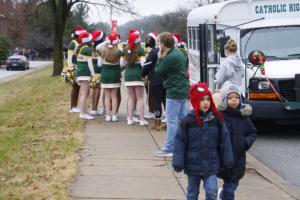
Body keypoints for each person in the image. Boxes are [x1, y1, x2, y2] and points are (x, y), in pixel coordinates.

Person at [172, 82, 233, 200]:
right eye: (202, 100)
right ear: (195, 101)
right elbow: (179, 143)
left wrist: (228, 160)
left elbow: (224, 142)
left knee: (211, 191)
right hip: (192, 164)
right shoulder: (187, 121)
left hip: (211, 164)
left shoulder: (217, 120)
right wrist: (178, 162)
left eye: (208, 99)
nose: (206, 102)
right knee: (192, 192)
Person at [217, 83, 257, 200]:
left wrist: (246, 142)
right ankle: (225, 195)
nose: (233, 100)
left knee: (234, 183)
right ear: (224, 100)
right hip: (225, 158)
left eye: (236, 97)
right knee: (230, 186)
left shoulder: (244, 117)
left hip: (239, 157)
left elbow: (252, 132)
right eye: (230, 98)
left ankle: (223, 194)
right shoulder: (220, 117)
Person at [154, 32, 189, 157]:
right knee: (182, 119)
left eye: (159, 42)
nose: (157, 44)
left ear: (163, 44)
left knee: (171, 120)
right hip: (182, 89)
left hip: (174, 91)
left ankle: (170, 148)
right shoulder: (178, 53)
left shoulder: (171, 56)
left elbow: (158, 71)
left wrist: (159, 57)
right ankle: (184, 146)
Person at [121, 29, 148, 126]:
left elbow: (121, 63)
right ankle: (141, 120)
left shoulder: (125, 49)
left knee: (131, 98)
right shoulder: (140, 50)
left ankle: (130, 119)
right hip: (138, 75)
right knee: (140, 98)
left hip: (128, 75)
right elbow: (143, 64)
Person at [143, 32, 166, 131]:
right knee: (166, 101)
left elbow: (147, 65)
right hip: (166, 80)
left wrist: (143, 74)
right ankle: (168, 122)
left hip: (155, 79)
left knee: (157, 101)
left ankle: (157, 122)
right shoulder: (169, 51)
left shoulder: (154, 51)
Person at [99, 32, 122, 122]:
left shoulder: (103, 50)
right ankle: (114, 115)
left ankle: (108, 115)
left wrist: (106, 42)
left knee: (107, 96)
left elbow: (99, 64)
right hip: (115, 73)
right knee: (114, 96)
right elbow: (121, 64)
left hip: (105, 73)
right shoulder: (118, 51)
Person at [76, 32, 96, 120]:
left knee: (86, 92)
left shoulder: (79, 48)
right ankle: (82, 113)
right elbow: (90, 63)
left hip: (80, 71)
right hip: (84, 72)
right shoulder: (87, 49)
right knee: (84, 94)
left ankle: (84, 110)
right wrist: (93, 74)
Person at [67, 26, 86, 113]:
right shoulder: (73, 43)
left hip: (79, 66)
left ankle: (75, 106)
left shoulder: (80, 43)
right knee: (75, 87)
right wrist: (71, 68)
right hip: (74, 67)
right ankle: (72, 107)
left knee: (77, 87)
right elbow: (69, 57)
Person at [90, 29, 106, 116]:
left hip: (93, 70)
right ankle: (101, 109)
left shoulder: (92, 48)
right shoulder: (101, 48)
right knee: (99, 90)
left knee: (94, 89)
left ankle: (93, 109)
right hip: (100, 70)